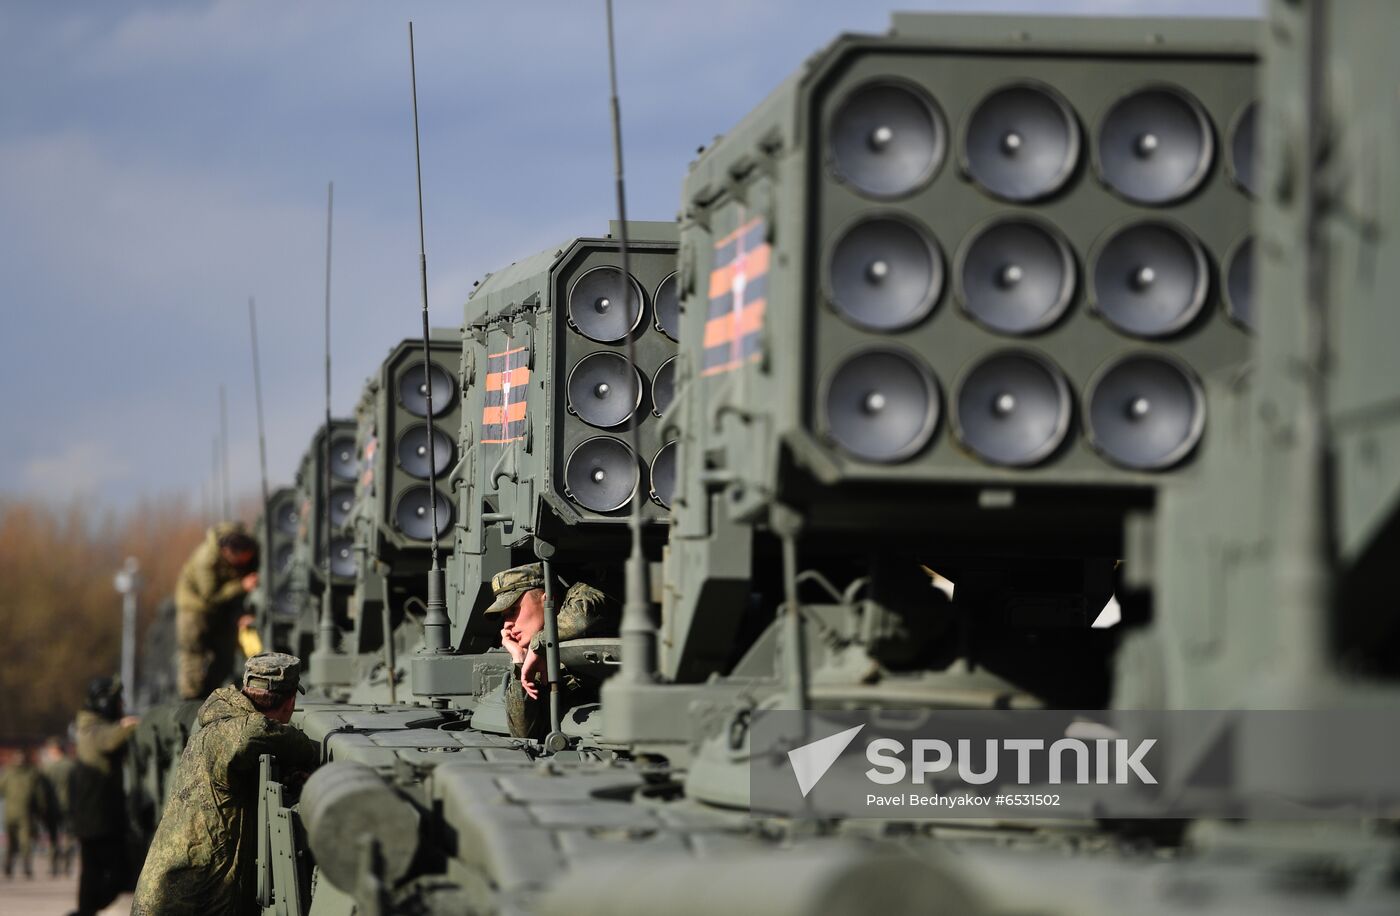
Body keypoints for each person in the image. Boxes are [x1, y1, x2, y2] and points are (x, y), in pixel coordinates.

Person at [131, 652, 319, 916]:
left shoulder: (221, 723)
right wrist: (311, 751)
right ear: (290, 702)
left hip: (182, 893)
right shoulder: (229, 733)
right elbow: (250, 736)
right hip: (180, 901)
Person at [483, 563, 615, 739]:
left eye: (513, 610)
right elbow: (524, 733)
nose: (507, 624)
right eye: (504, 616)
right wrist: (519, 661)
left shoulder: (584, 595)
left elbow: (585, 613)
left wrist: (539, 644)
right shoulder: (532, 658)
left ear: (547, 599)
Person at [70, 677, 139, 915]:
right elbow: (110, 739)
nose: (121, 705)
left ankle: (84, 910)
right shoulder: (91, 729)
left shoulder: (88, 725)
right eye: (117, 700)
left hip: (95, 818)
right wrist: (131, 725)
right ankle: (84, 910)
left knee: (91, 875)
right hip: (98, 819)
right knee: (117, 874)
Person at [175, 522, 260, 700]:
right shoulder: (205, 560)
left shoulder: (242, 545)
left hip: (223, 609)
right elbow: (211, 596)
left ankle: (209, 693)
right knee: (194, 654)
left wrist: (241, 613)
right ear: (227, 552)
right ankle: (191, 699)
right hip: (195, 609)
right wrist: (242, 585)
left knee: (225, 655)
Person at [1, 746, 50, 879]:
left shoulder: (9, 773)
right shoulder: (31, 773)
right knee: (23, 842)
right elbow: (39, 795)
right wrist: (42, 810)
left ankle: (12, 867)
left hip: (13, 813)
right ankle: (22, 867)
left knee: (17, 842)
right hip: (23, 813)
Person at [40, 737, 75, 876]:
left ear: (53, 750)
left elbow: (41, 791)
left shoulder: (47, 768)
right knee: (69, 837)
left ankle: (53, 867)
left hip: (52, 808)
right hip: (69, 807)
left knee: (53, 838)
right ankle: (67, 867)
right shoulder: (71, 766)